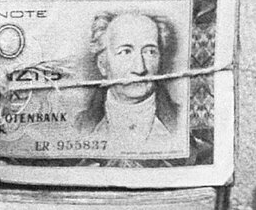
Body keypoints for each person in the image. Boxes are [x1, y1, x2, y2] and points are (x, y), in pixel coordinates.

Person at [74, 11, 183, 152]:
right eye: (125, 52)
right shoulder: (80, 125)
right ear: (102, 64)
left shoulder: (182, 121)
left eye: (150, 52)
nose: (139, 68)